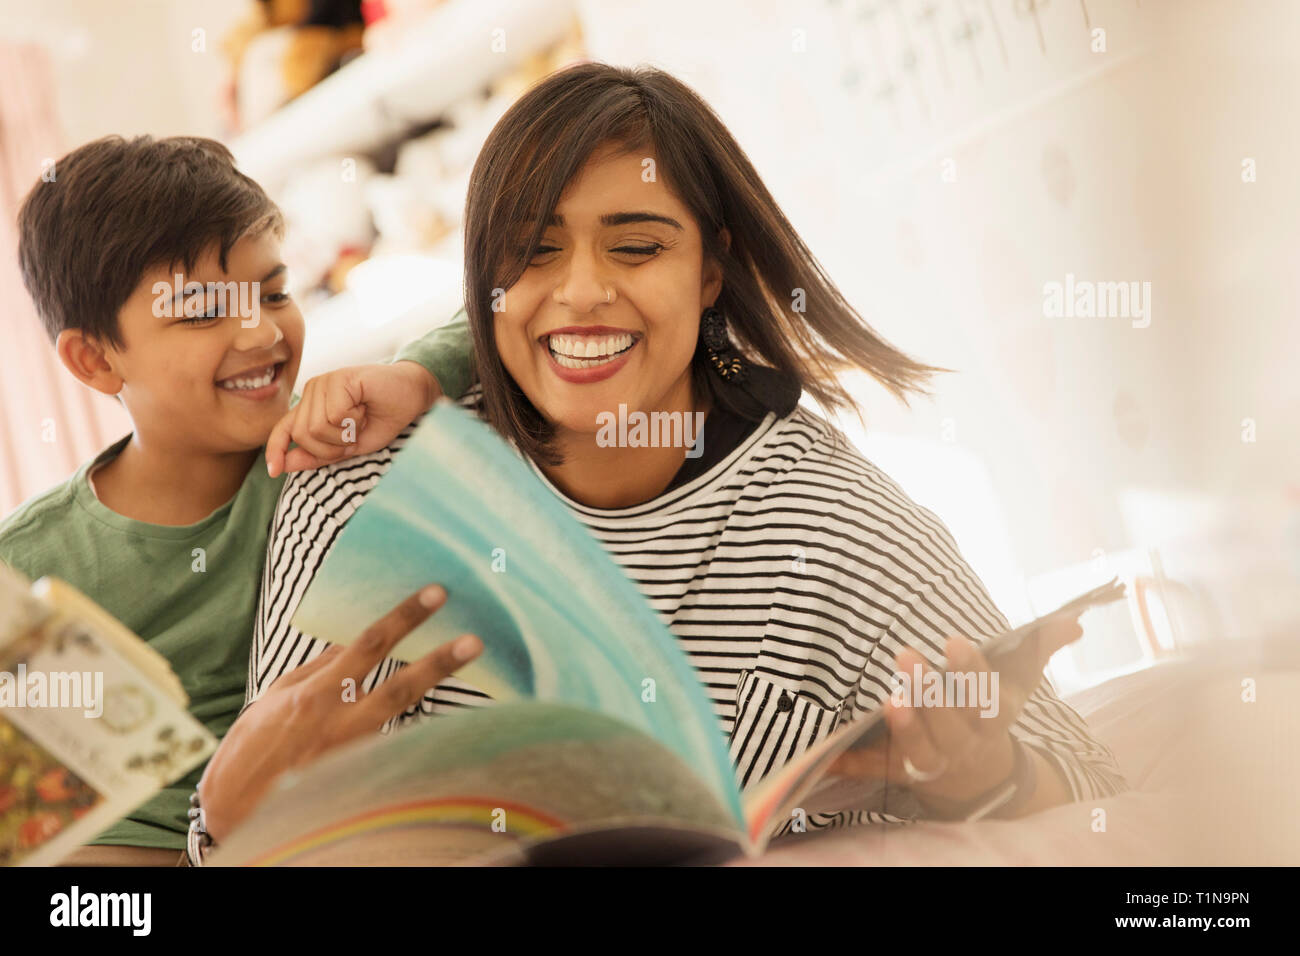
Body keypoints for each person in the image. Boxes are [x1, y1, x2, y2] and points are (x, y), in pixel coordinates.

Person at [197, 63, 1127, 857]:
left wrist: (982, 774)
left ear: (710, 273)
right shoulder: (359, 487)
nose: (584, 292)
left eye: (637, 247)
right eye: (533, 253)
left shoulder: (836, 531)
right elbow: (252, 837)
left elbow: (1091, 794)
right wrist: (229, 824)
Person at [0, 135, 479, 864]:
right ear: (96, 359)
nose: (259, 332)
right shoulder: (32, 570)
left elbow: (504, 325)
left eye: (275, 293)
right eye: (200, 312)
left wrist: (418, 371)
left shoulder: (336, 451)